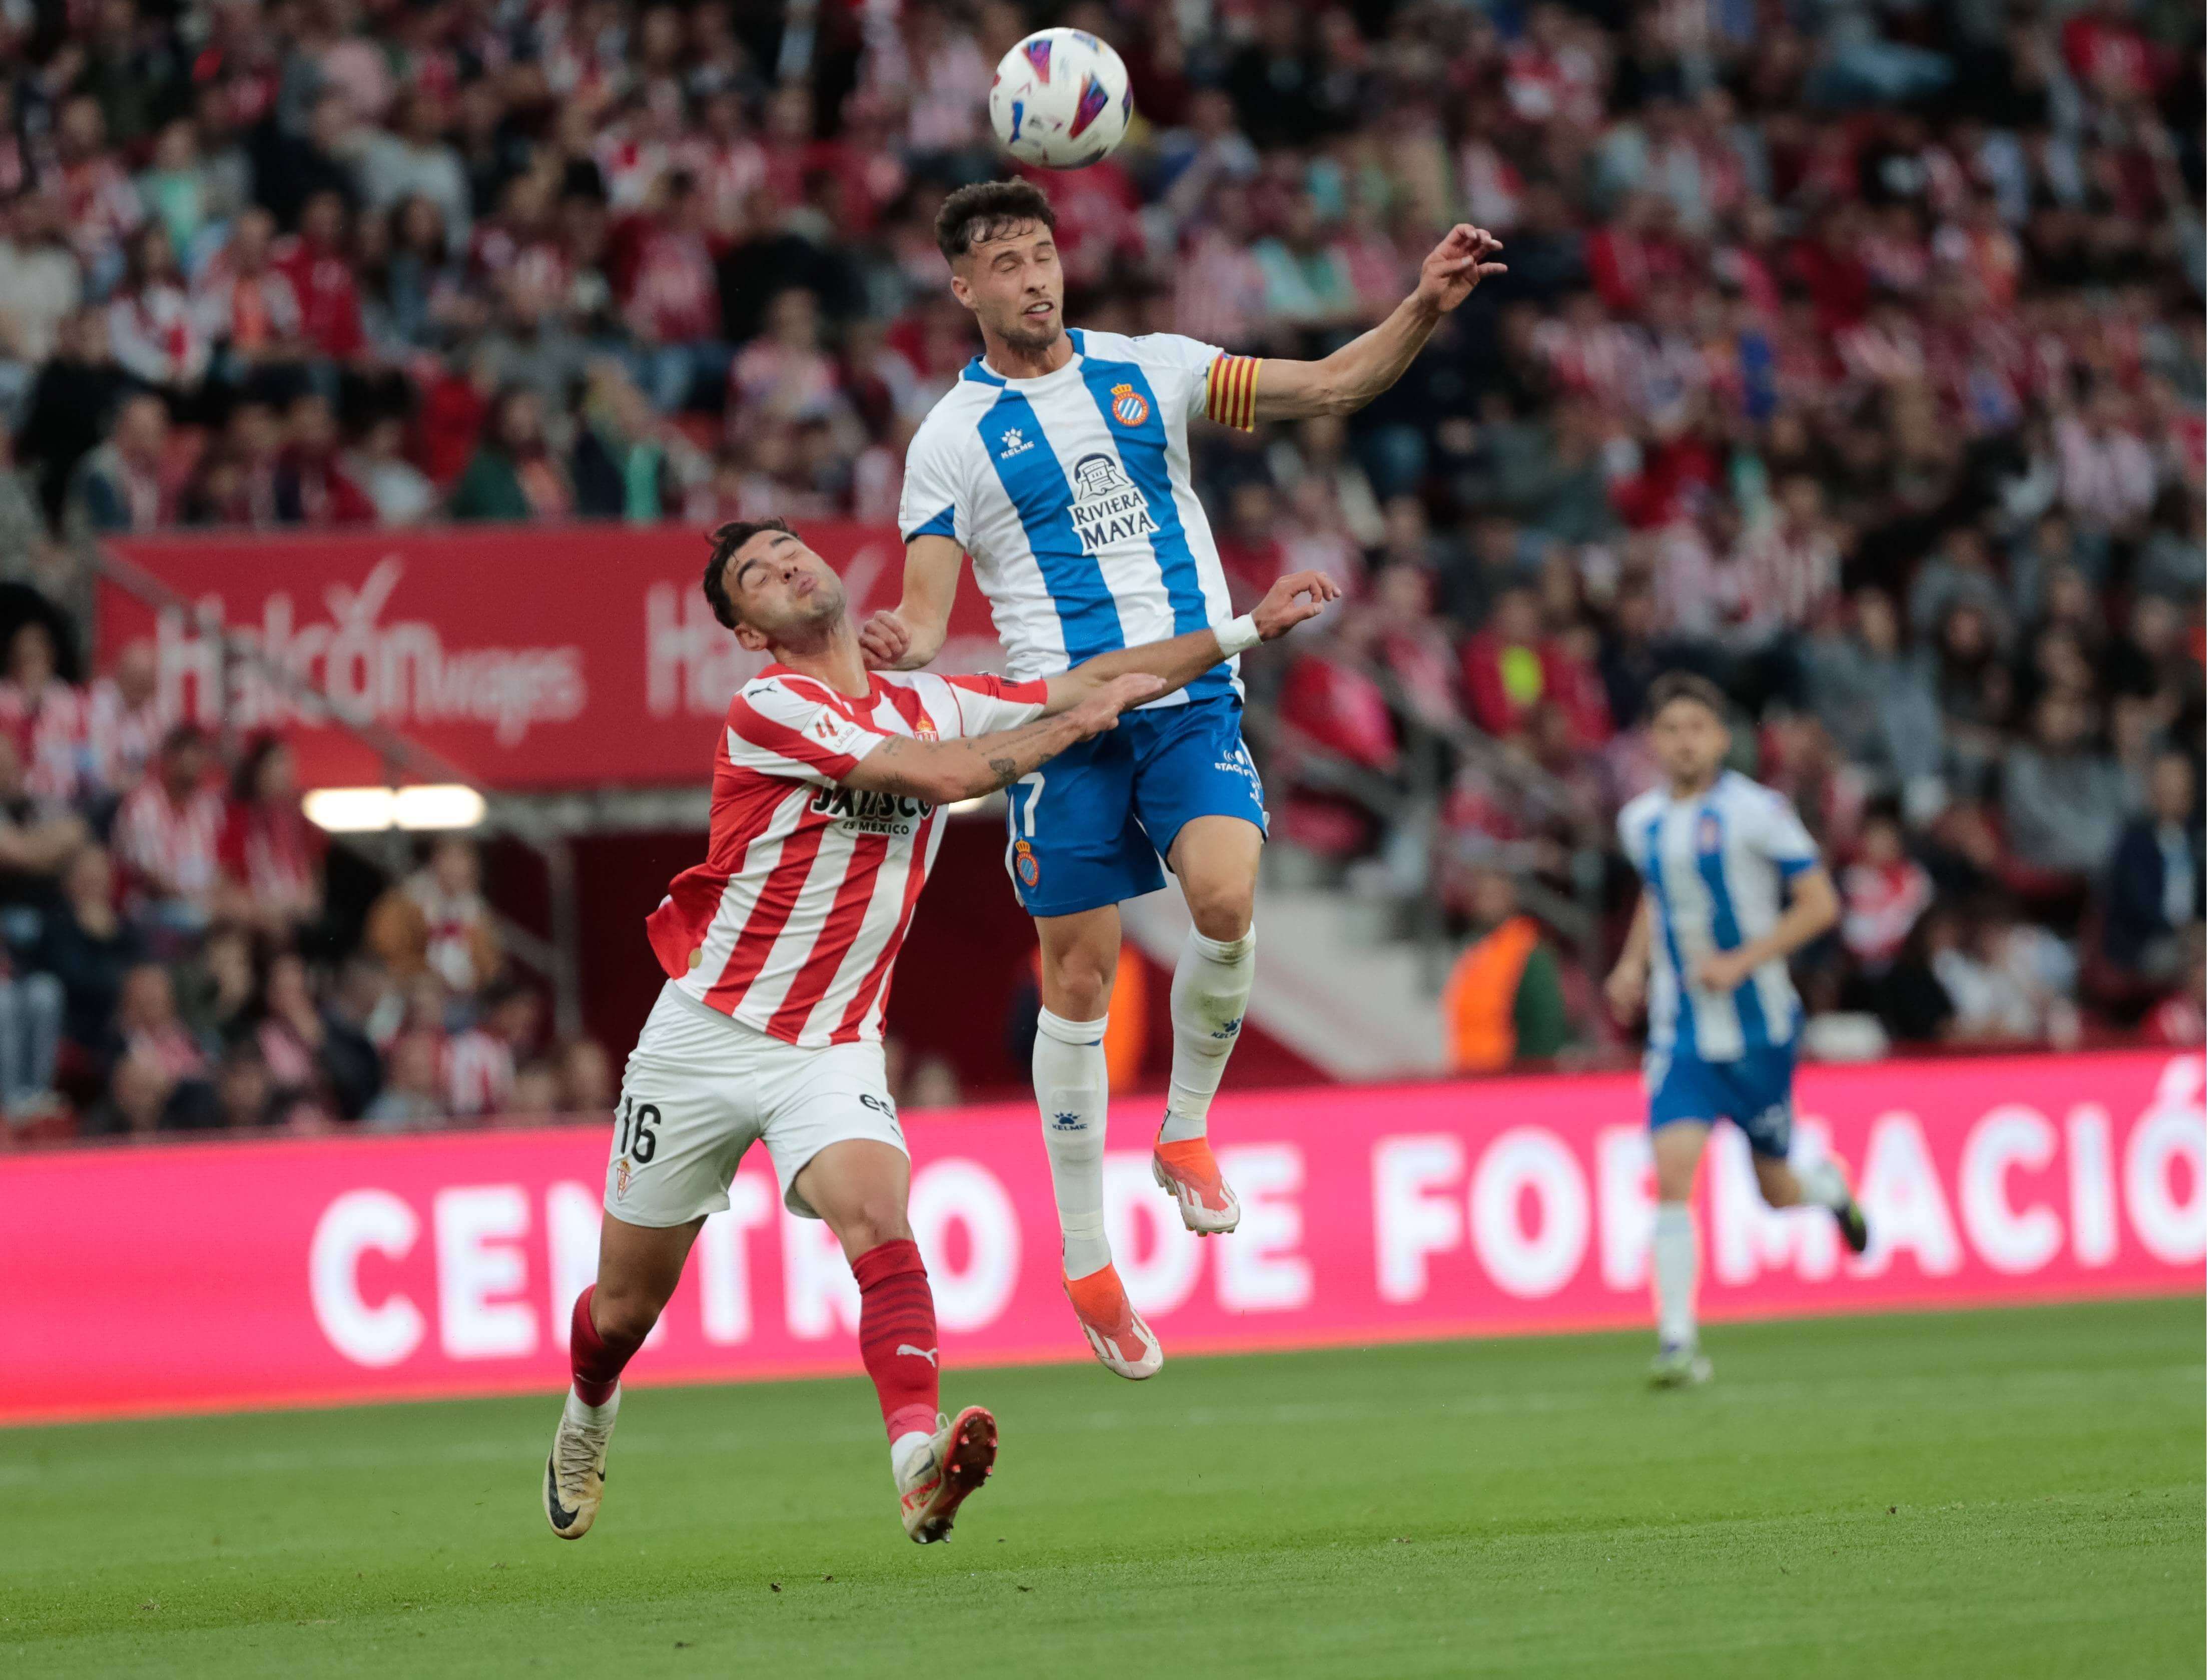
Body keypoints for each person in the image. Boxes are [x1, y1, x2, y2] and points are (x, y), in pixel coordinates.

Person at [542, 516, 1334, 1547]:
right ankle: (587, 1413)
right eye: (755, 575)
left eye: (789, 549)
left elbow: (1100, 674)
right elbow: (946, 777)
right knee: (621, 1310)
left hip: (831, 1047)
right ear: (749, 631)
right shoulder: (771, 706)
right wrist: (1070, 726)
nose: (785, 566)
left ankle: (919, 1464)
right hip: (704, 1035)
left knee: (880, 1217)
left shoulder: (929, 696)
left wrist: (1240, 631)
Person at [859, 178, 1502, 1377]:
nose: (1032, 277)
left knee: (1225, 894)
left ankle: (1190, 1129)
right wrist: (898, 636)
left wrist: (1420, 307)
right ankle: (1090, 1260)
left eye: (1042, 252)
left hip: (1191, 693)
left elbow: (1330, 386)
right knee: (1082, 976)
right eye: (1003, 262)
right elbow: (927, 607)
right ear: (963, 288)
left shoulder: (1151, 366)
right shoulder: (949, 438)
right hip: (1063, 724)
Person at [1605, 672, 1869, 1387]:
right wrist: (1632, 966)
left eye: (1697, 728)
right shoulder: (1640, 821)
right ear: (1653, 742)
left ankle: (1831, 1190)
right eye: (1670, 729)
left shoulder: (1759, 813)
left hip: (1758, 1030)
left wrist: (1742, 962)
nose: (1683, 741)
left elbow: (1818, 904)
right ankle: (1676, 1343)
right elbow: (1658, 897)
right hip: (1680, 1033)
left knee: (1775, 1190)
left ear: (1721, 738)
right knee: (1670, 1178)